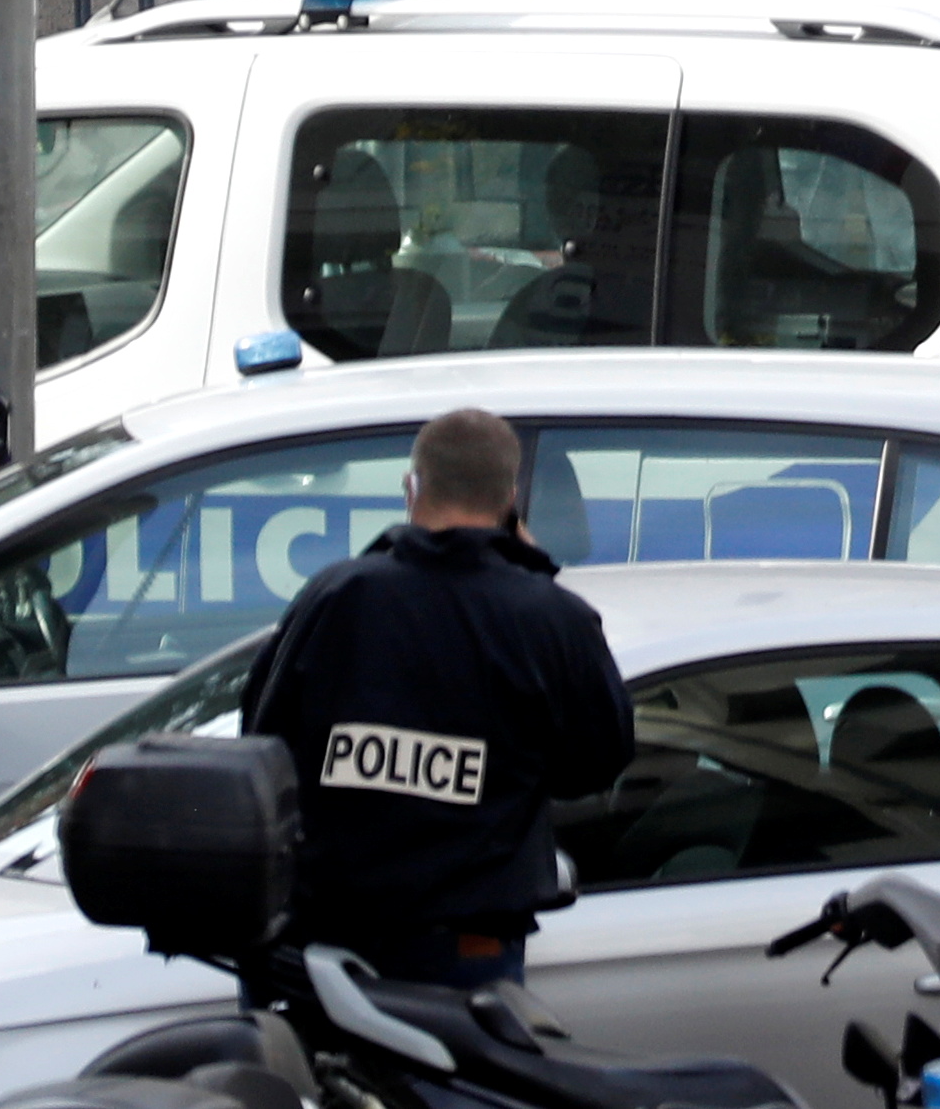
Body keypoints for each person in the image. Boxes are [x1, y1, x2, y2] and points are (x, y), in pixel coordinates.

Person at [233, 405, 639, 988]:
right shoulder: (552, 618)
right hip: (465, 947)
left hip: (321, 936)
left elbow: (263, 740)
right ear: (511, 498)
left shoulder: (336, 596)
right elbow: (597, 760)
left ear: (411, 487)